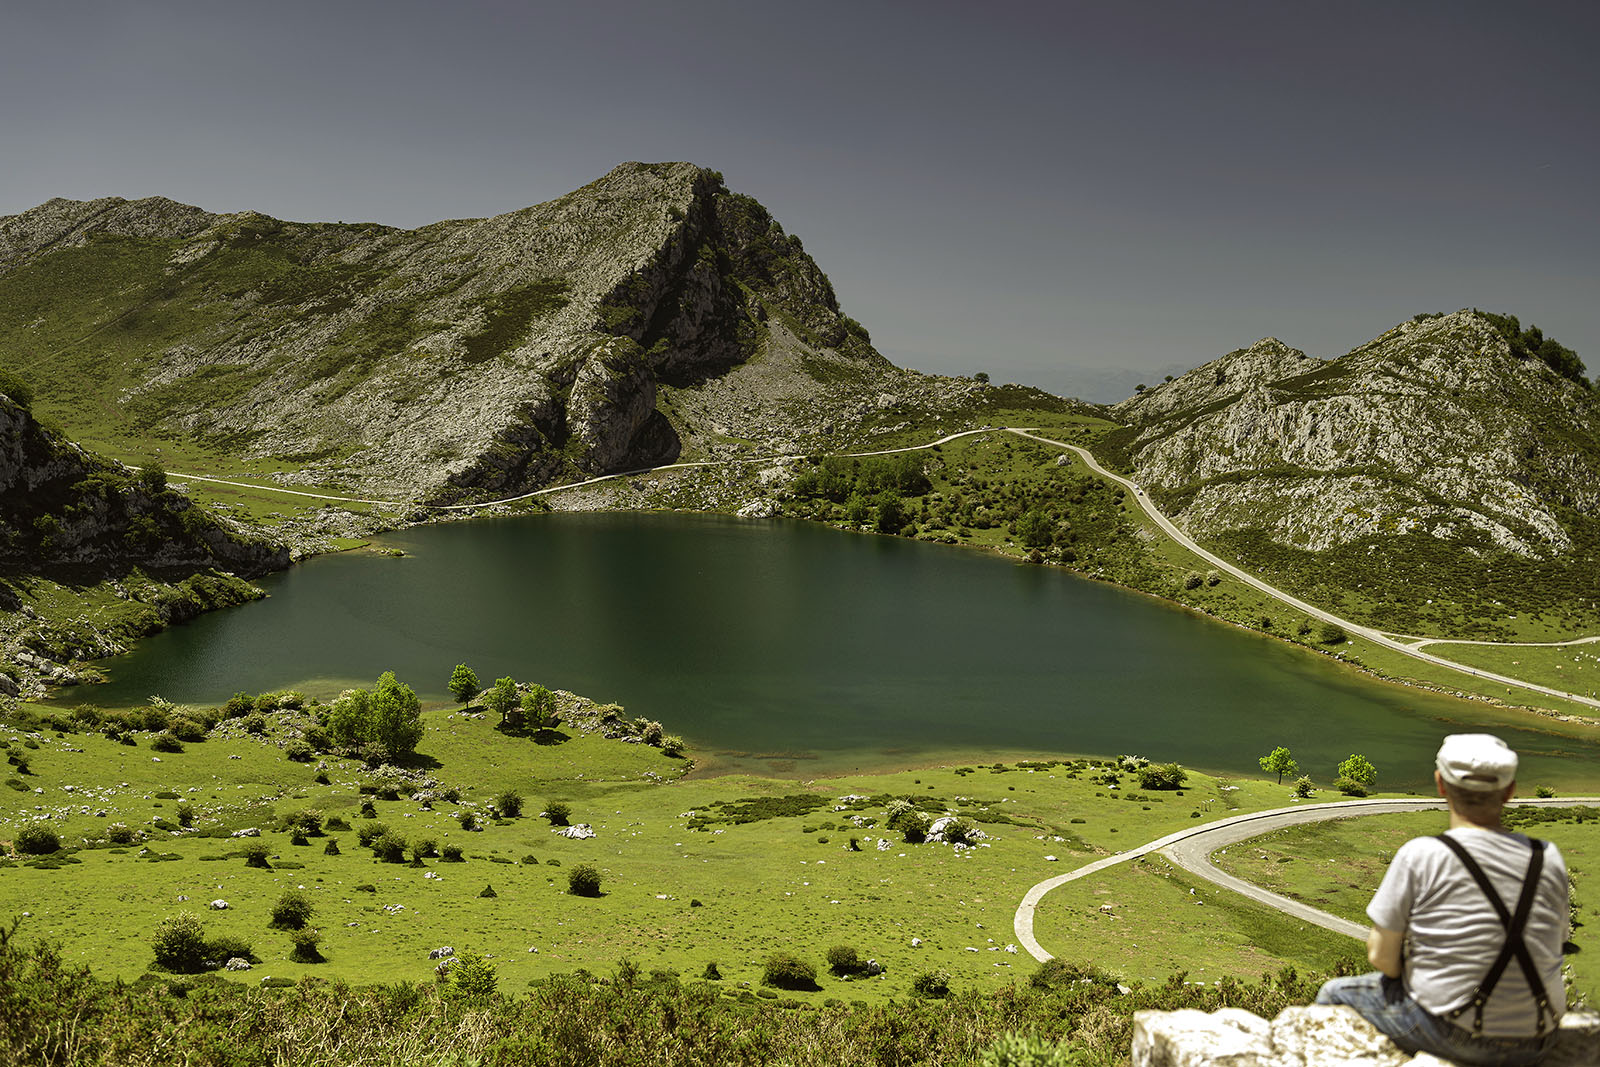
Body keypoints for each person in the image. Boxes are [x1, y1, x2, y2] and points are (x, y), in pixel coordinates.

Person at [1315, 733, 1568, 1066]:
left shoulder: (1422, 855)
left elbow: (1380, 957)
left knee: (1334, 994)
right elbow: (1558, 942)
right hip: (1540, 1034)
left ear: (1440, 785)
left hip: (1453, 1032)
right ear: (1509, 791)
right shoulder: (1547, 857)